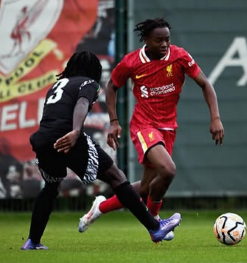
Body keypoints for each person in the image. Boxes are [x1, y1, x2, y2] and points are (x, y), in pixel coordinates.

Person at [78, 17, 224, 238]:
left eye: (167, 39)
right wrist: (114, 122)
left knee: (145, 187)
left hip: (168, 128)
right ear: (146, 40)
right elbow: (112, 86)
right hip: (144, 125)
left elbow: (205, 83)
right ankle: (155, 222)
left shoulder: (180, 56)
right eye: (159, 40)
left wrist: (215, 117)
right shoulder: (132, 62)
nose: (164, 44)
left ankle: (101, 207)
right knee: (168, 170)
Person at [21, 51, 181, 250]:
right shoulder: (89, 84)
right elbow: (82, 103)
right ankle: (155, 227)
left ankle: (32, 241)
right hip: (68, 136)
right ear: (93, 70)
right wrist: (76, 131)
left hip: (43, 140)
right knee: (117, 177)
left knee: (51, 187)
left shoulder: (57, 85)